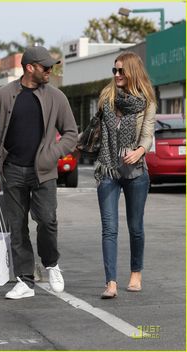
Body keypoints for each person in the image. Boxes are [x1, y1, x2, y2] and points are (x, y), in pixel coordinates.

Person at [0, 46, 78, 299]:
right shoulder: (3, 96)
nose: (50, 71)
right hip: (12, 171)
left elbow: (71, 133)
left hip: (44, 171)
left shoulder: (57, 97)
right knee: (18, 227)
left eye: (51, 67)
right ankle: (25, 281)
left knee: (47, 220)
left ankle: (51, 264)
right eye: (46, 67)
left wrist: (53, 153)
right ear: (29, 68)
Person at [93, 52, 156, 299]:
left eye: (121, 71)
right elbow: (97, 129)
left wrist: (139, 151)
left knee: (135, 227)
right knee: (109, 228)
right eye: (114, 71)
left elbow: (148, 134)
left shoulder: (147, 101)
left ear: (132, 71)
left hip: (135, 171)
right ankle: (110, 283)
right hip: (108, 169)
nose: (117, 75)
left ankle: (136, 274)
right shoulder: (106, 98)